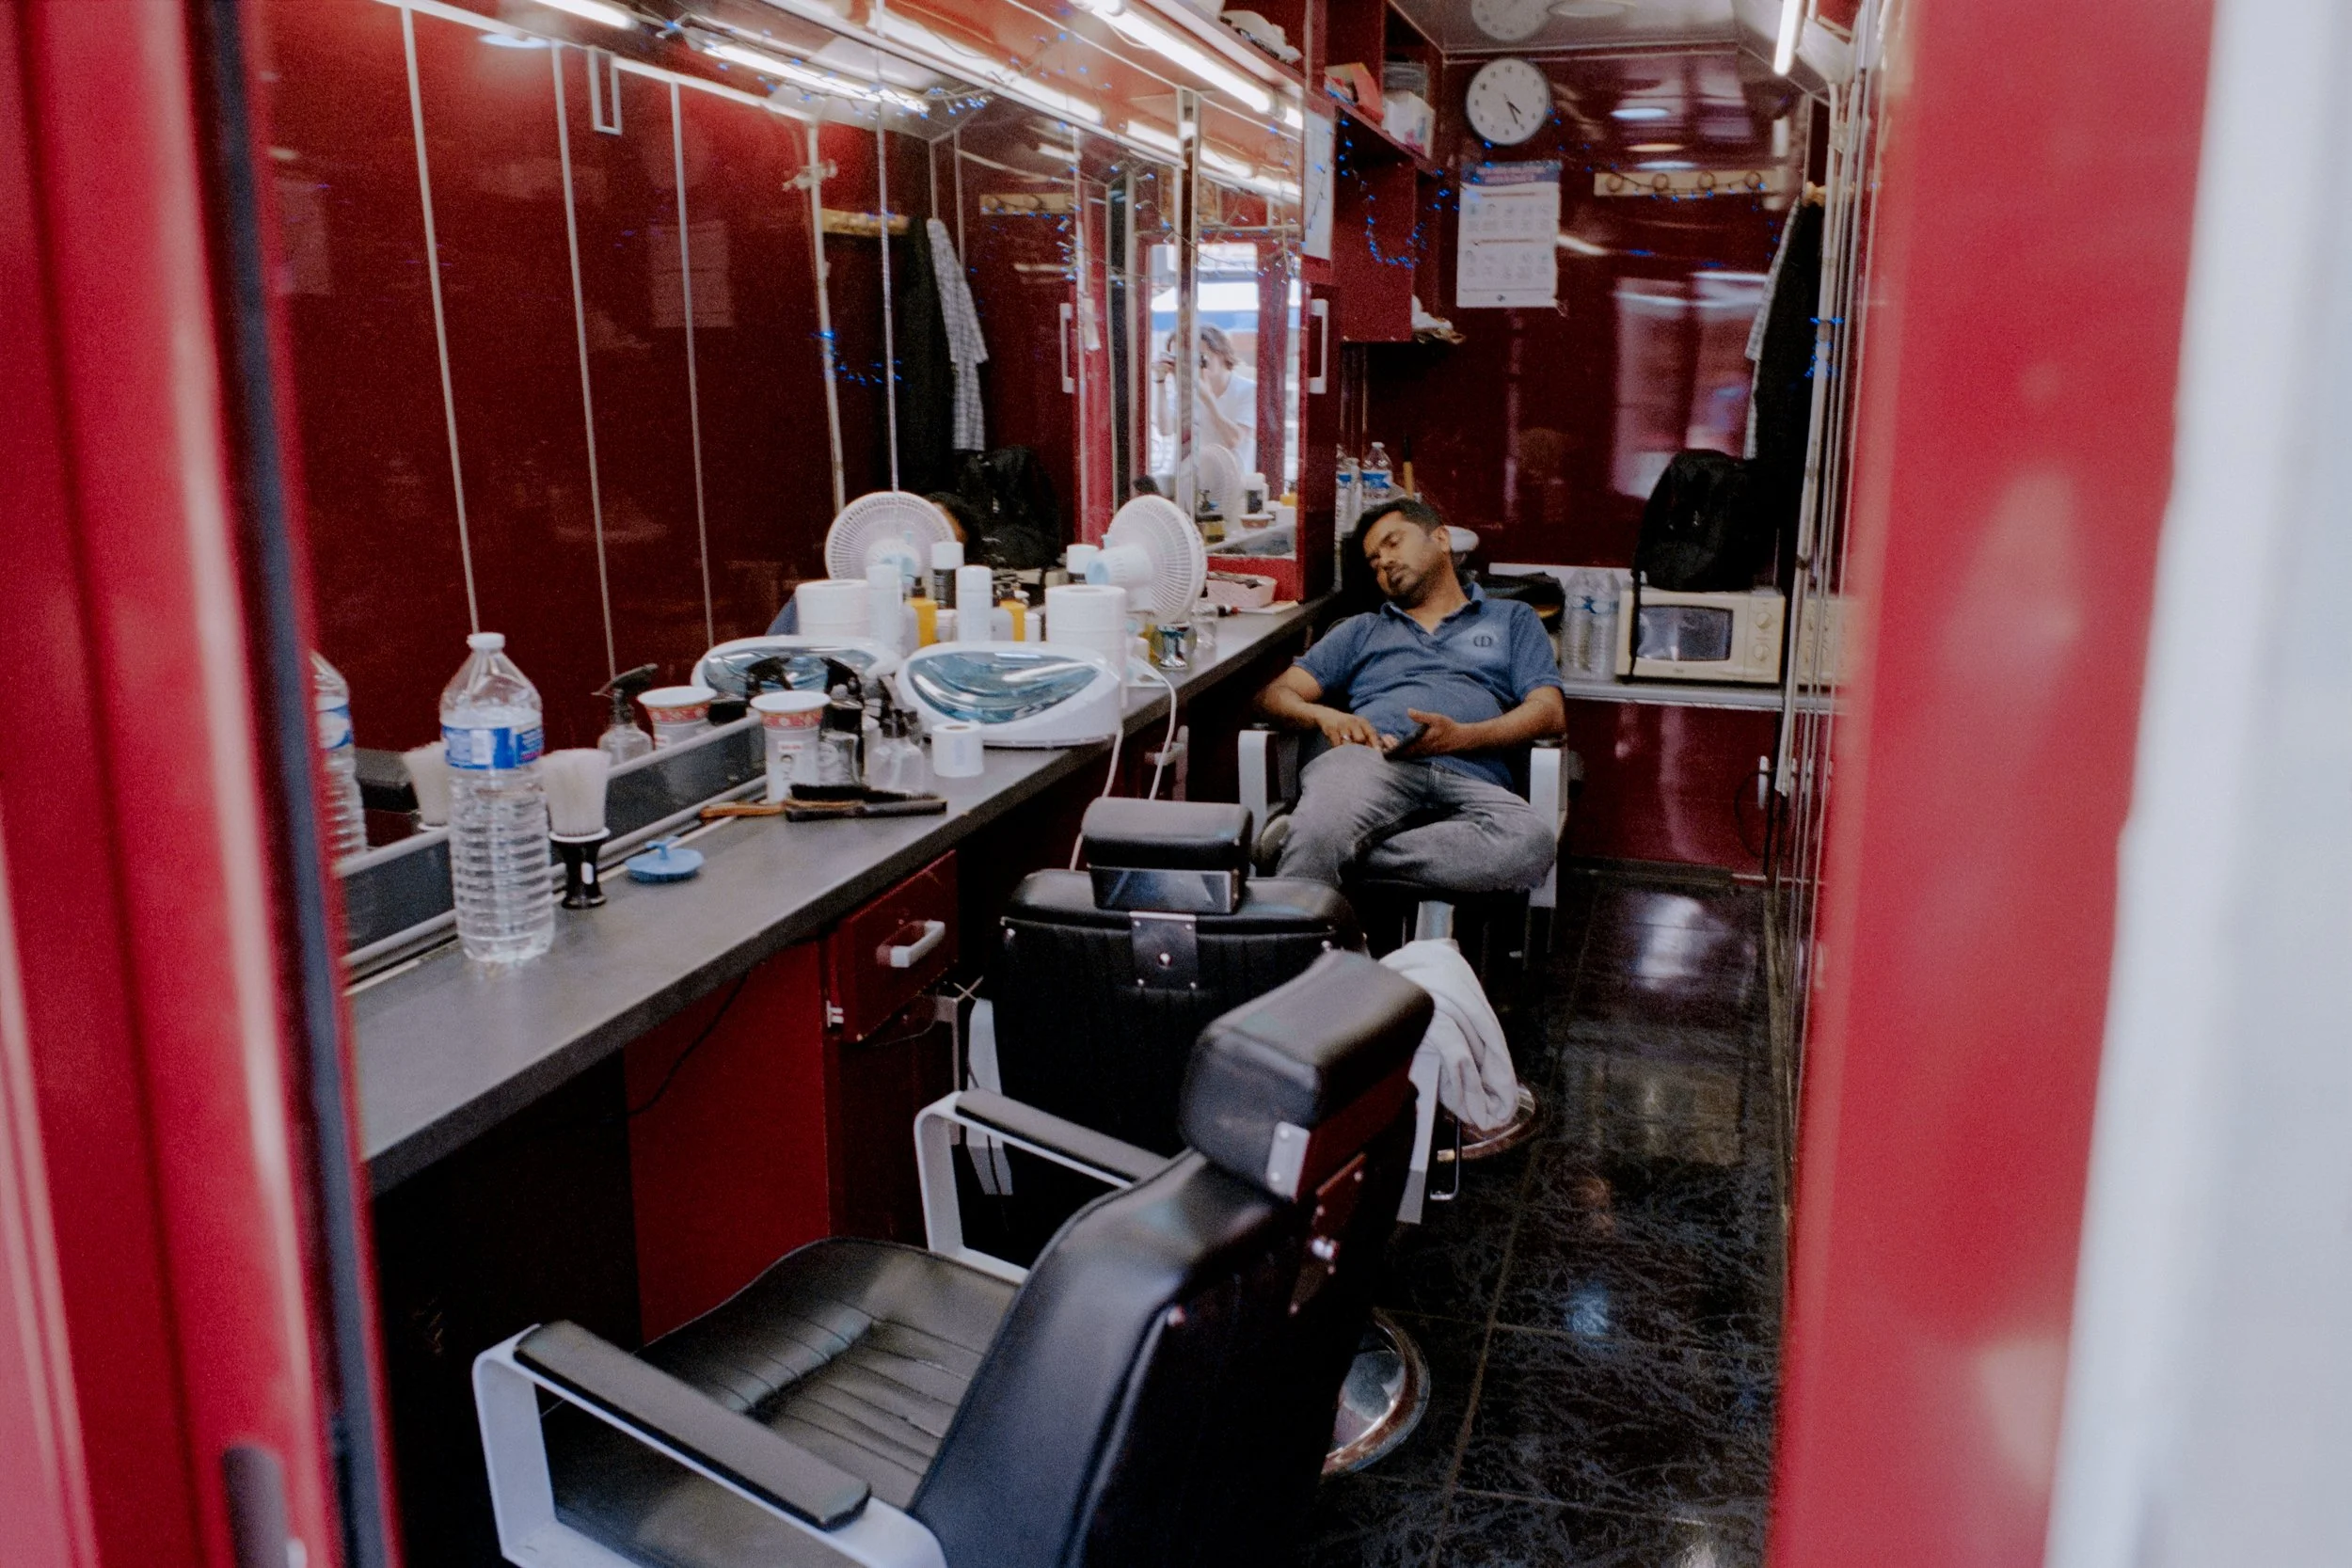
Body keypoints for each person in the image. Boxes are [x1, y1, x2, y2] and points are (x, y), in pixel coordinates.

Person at [1255, 498, 1565, 893]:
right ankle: (1312, 861)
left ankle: (1309, 846)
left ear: (1441, 539)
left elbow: (1549, 711)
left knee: (1530, 844)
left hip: (1473, 776)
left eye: (1393, 542)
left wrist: (1461, 737)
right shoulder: (1361, 630)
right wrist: (1324, 716)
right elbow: (1275, 695)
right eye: (1373, 561)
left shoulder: (1512, 619)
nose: (1384, 562)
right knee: (1325, 824)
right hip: (1374, 764)